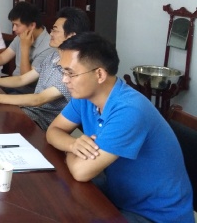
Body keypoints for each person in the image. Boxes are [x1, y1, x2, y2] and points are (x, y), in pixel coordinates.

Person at [46, 32, 193, 223]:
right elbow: (53, 131)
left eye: (71, 73)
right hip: (121, 196)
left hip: (155, 214)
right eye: (63, 72)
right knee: (54, 198)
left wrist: (69, 152)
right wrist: (74, 145)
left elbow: (82, 172)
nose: (64, 80)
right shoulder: (85, 97)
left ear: (99, 74)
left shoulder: (129, 109)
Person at [0, 7, 90, 130]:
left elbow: (39, 99)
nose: (51, 34)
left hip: (42, 121)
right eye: (52, 29)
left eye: (55, 31)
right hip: (28, 110)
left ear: (71, 36)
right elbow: (22, 79)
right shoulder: (53, 56)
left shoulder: (73, 70)